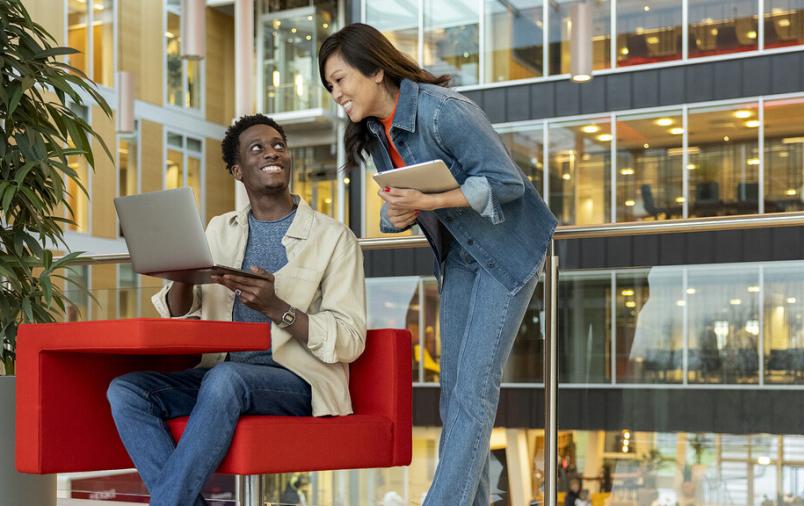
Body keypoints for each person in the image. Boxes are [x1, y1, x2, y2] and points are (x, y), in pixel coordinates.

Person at [319, 23, 557, 506]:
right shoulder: (375, 133)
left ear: (376, 70)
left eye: (340, 80)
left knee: (473, 392)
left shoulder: (443, 112)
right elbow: (401, 208)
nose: (336, 93)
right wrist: (397, 212)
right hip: (460, 258)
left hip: (506, 254)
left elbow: (507, 184)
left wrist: (432, 200)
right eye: (330, 86)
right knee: (453, 396)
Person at [106, 114, 367, 506]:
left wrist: (278, 308)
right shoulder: (218, 230)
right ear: (237, 170)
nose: (272, 152)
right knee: (126, 391)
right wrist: (181, 275)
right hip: (217, 376)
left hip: (296, 380)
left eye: (279, 145)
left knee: (227, 379)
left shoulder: (333, 238)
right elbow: (179, 316)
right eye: (257, 148)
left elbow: (349, 340)